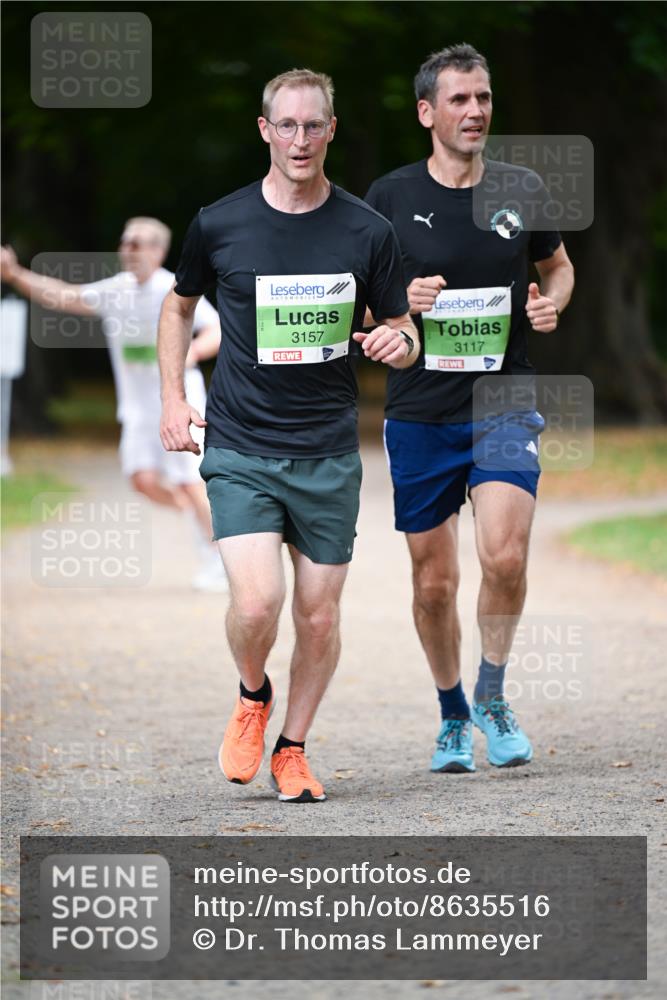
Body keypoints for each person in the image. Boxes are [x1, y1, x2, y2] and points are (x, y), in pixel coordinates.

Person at [159, 68, 418, 803]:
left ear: (330, 130)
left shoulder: (367, 231)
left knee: (319, 615)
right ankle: (252, 694)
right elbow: (178, 308)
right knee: (255, 605)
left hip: (327, 451)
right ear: (264, 130)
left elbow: (403, 329)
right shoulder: (220, 222)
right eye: (287, 125)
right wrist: (172, 396)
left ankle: (293, 748)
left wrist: (399, 344)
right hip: (241, 444)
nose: (300, 139)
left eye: (313, 125)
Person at [365, 44, 574, 773]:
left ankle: (492, 691)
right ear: (427, 112)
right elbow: (361, 304)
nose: (475, 110)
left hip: (503, 401)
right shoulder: (388, 197)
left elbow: (556, 265)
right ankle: (452, 712)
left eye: (482, 97)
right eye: (459, 99)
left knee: (505, 555)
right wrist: (402, 304)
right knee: (434, 582)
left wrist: (551, 305)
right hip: (420, 410)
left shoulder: (520, 188)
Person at [1, 220, 226, 591]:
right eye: (124, 242)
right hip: (137, 411)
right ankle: (205, 522)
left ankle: (218, 558)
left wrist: (193, 353)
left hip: (179, 403)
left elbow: (216, 329)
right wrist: (14, 275)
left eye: (137, 243)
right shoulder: (116, 290)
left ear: (158, 251)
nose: (128, 249)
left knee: (190, 483)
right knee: (143, 481)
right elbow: (62, 295)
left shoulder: (172, 288)